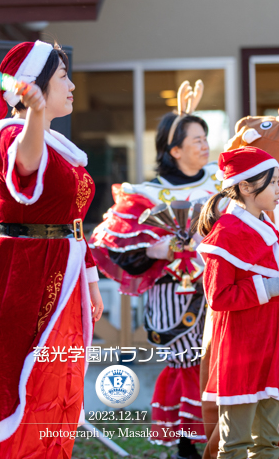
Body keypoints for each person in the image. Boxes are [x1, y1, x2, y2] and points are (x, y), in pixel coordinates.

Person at [0, 40, 104, 459]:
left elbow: (72, 222)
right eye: (61, 78)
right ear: (34, 87)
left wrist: (91, 282)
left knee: (59, 380)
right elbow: (26, 165)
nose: (71, 86)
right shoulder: (11, 135)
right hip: (27, 273)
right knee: (22, 380)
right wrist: (35, 114)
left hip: (63, 269)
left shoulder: (59, 146)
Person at [90, 81, 216, 458]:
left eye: (206, 137)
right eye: (196, 139)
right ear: (174, 150)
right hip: (172, 298)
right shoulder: (145, 195)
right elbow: (118, 247)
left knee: (215, 362)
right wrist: (155, 248)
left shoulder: (222, 187)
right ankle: (186, 444)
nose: (205, 144)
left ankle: (218, 438)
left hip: (218, 290)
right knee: (186, 363)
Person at [200, 106, 279, 459]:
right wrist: (272, 286)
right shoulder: (226, 231)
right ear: (246, 185)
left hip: (273, 344)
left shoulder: (272, 230)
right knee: (234, 443)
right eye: (272, 182)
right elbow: (218, 296)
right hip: (242, 350)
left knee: (267, 442)